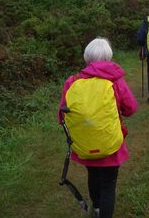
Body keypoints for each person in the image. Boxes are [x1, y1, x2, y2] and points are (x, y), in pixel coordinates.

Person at [58, 38, 137, 218]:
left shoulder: (72, 82)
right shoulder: (115, 81)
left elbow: (61, 116)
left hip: (85, 143)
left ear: (86, 58)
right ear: (109, 57)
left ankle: (97, 209)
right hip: (110, 144)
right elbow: (131, 108)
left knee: (93, 174)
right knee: (109, 184)